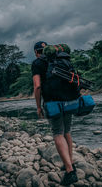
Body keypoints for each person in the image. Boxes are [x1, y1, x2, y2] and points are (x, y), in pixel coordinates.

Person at [31, 41, 79, 186]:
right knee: (67, 131)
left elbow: (37, 86)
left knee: (58, 133)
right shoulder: (60, 59)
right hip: (69, 99)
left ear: (36, 52)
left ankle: (70, 171)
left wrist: (38, 107)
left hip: (53, 102)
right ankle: (69, 162)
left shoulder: (37, 63)